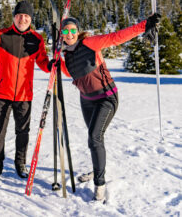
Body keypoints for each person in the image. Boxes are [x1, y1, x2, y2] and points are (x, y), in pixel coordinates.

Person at [59, 14, 160, 202]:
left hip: (106, 97)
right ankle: (98, 169)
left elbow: (116, 38)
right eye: (66, 30)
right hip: (86, 99)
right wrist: (56, 65)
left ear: (78, 31)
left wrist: (144, 25)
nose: (70, 33)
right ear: (61, 34)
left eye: (73, 30)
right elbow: (71, 72)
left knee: (94, 137)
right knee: (95, 138)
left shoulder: (90, 43)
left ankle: (100, 184)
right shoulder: (66, 54)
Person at [0, 0, 54, 183]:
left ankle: (20, 164)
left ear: (30, 18)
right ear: (14, 17)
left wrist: (50, 65)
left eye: (26, 16)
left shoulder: (36, 39)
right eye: (19, 15)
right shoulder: (2, 35)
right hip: (2, 93)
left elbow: (42, 61)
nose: (22, 19)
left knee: (23, 132)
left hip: (25, 95)